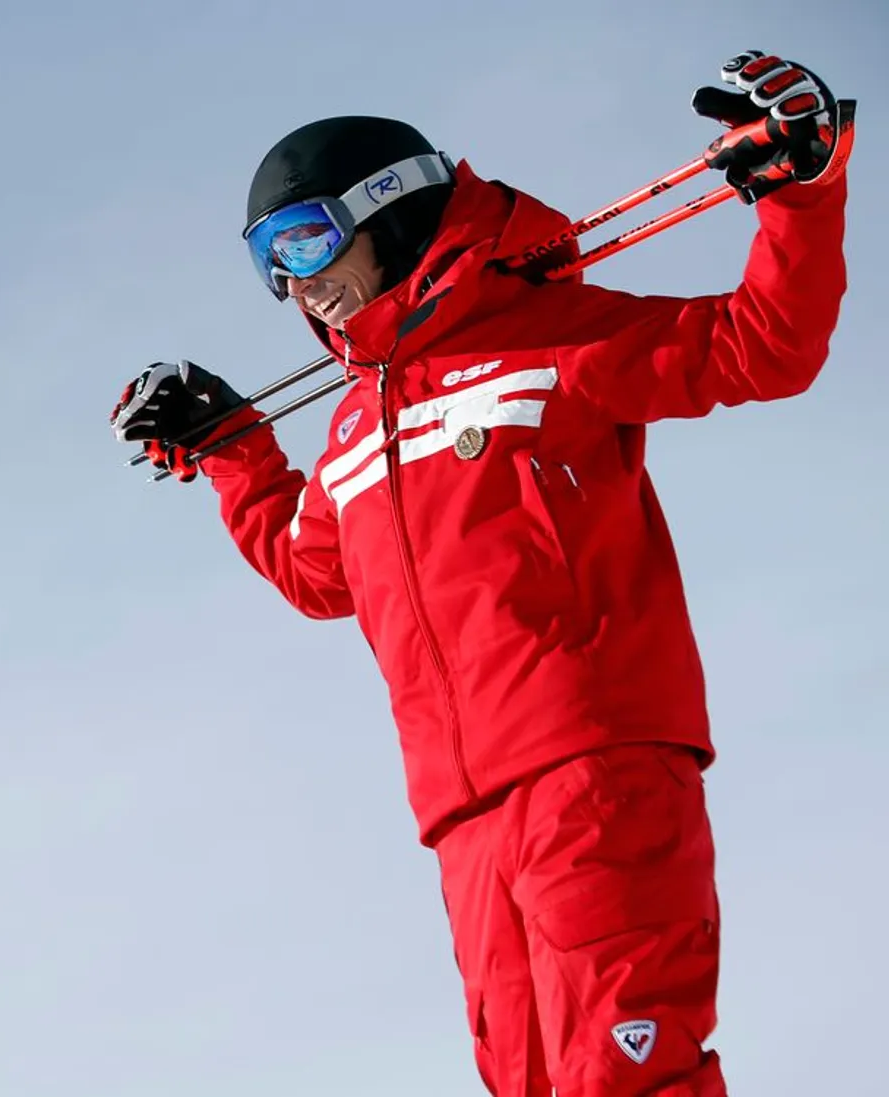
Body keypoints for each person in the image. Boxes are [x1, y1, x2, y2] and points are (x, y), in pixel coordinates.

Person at [109, 51, 850, 1096]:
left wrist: (798, 194)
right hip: (461, 814)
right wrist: (235, 452)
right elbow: (314, 572)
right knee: (526, 1077)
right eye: (265, 261)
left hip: (589, 767)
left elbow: (760, 345)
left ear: (390, 210)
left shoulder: (544, 336)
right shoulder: (352, 428)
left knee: (623, 1072)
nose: (293, 281)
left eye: (305, 239)